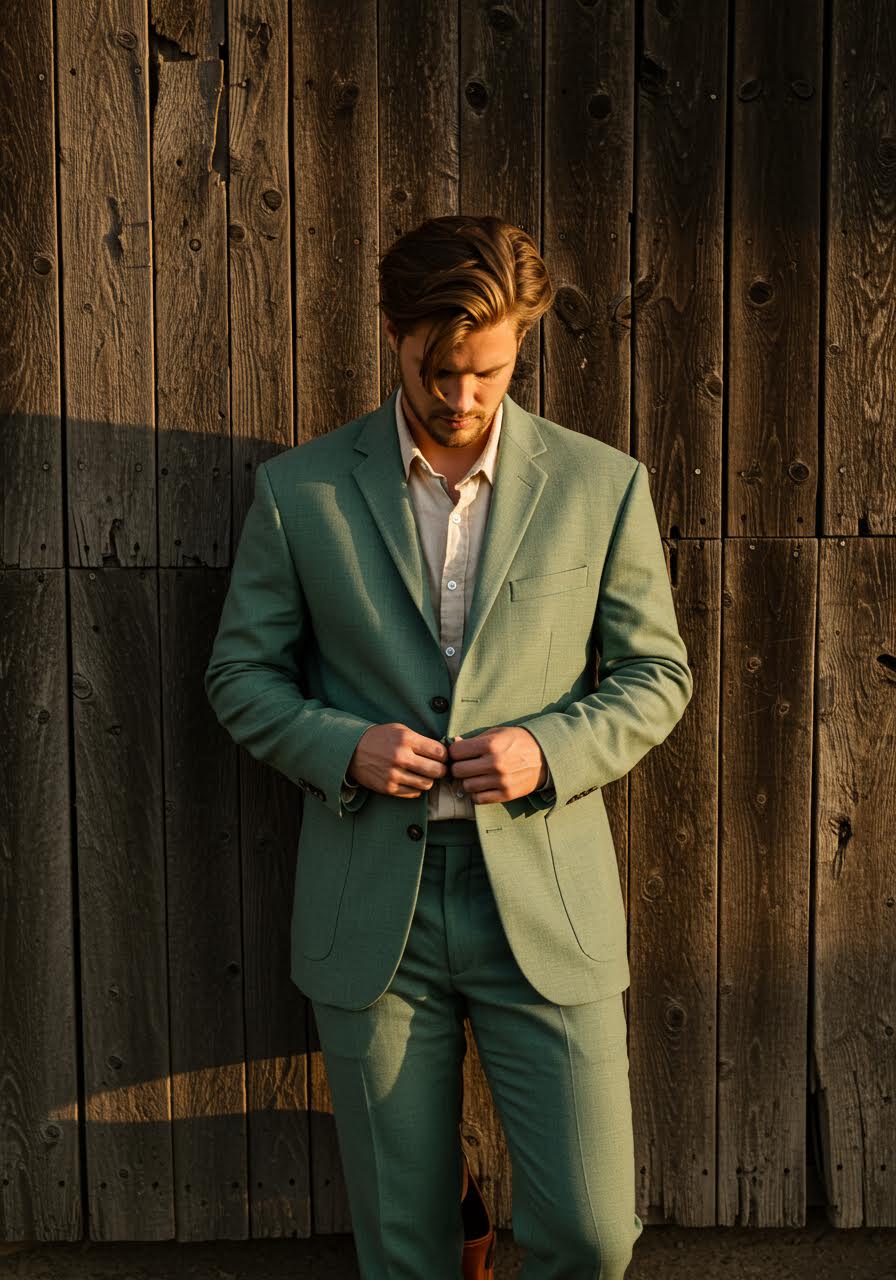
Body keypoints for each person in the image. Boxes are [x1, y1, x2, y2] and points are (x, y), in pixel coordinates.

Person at [204, 214, 693, 1278]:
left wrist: (546, 748)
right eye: (437, 368)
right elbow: (237, 677)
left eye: (488, 371)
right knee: (405, 1249)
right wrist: (342, 746)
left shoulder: (599, 484)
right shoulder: (302, 492)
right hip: (375, 907)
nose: (461, 397)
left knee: (594, 1232)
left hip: (545, 899)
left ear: (520, 345)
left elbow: (658, 675)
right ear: (391, 332)